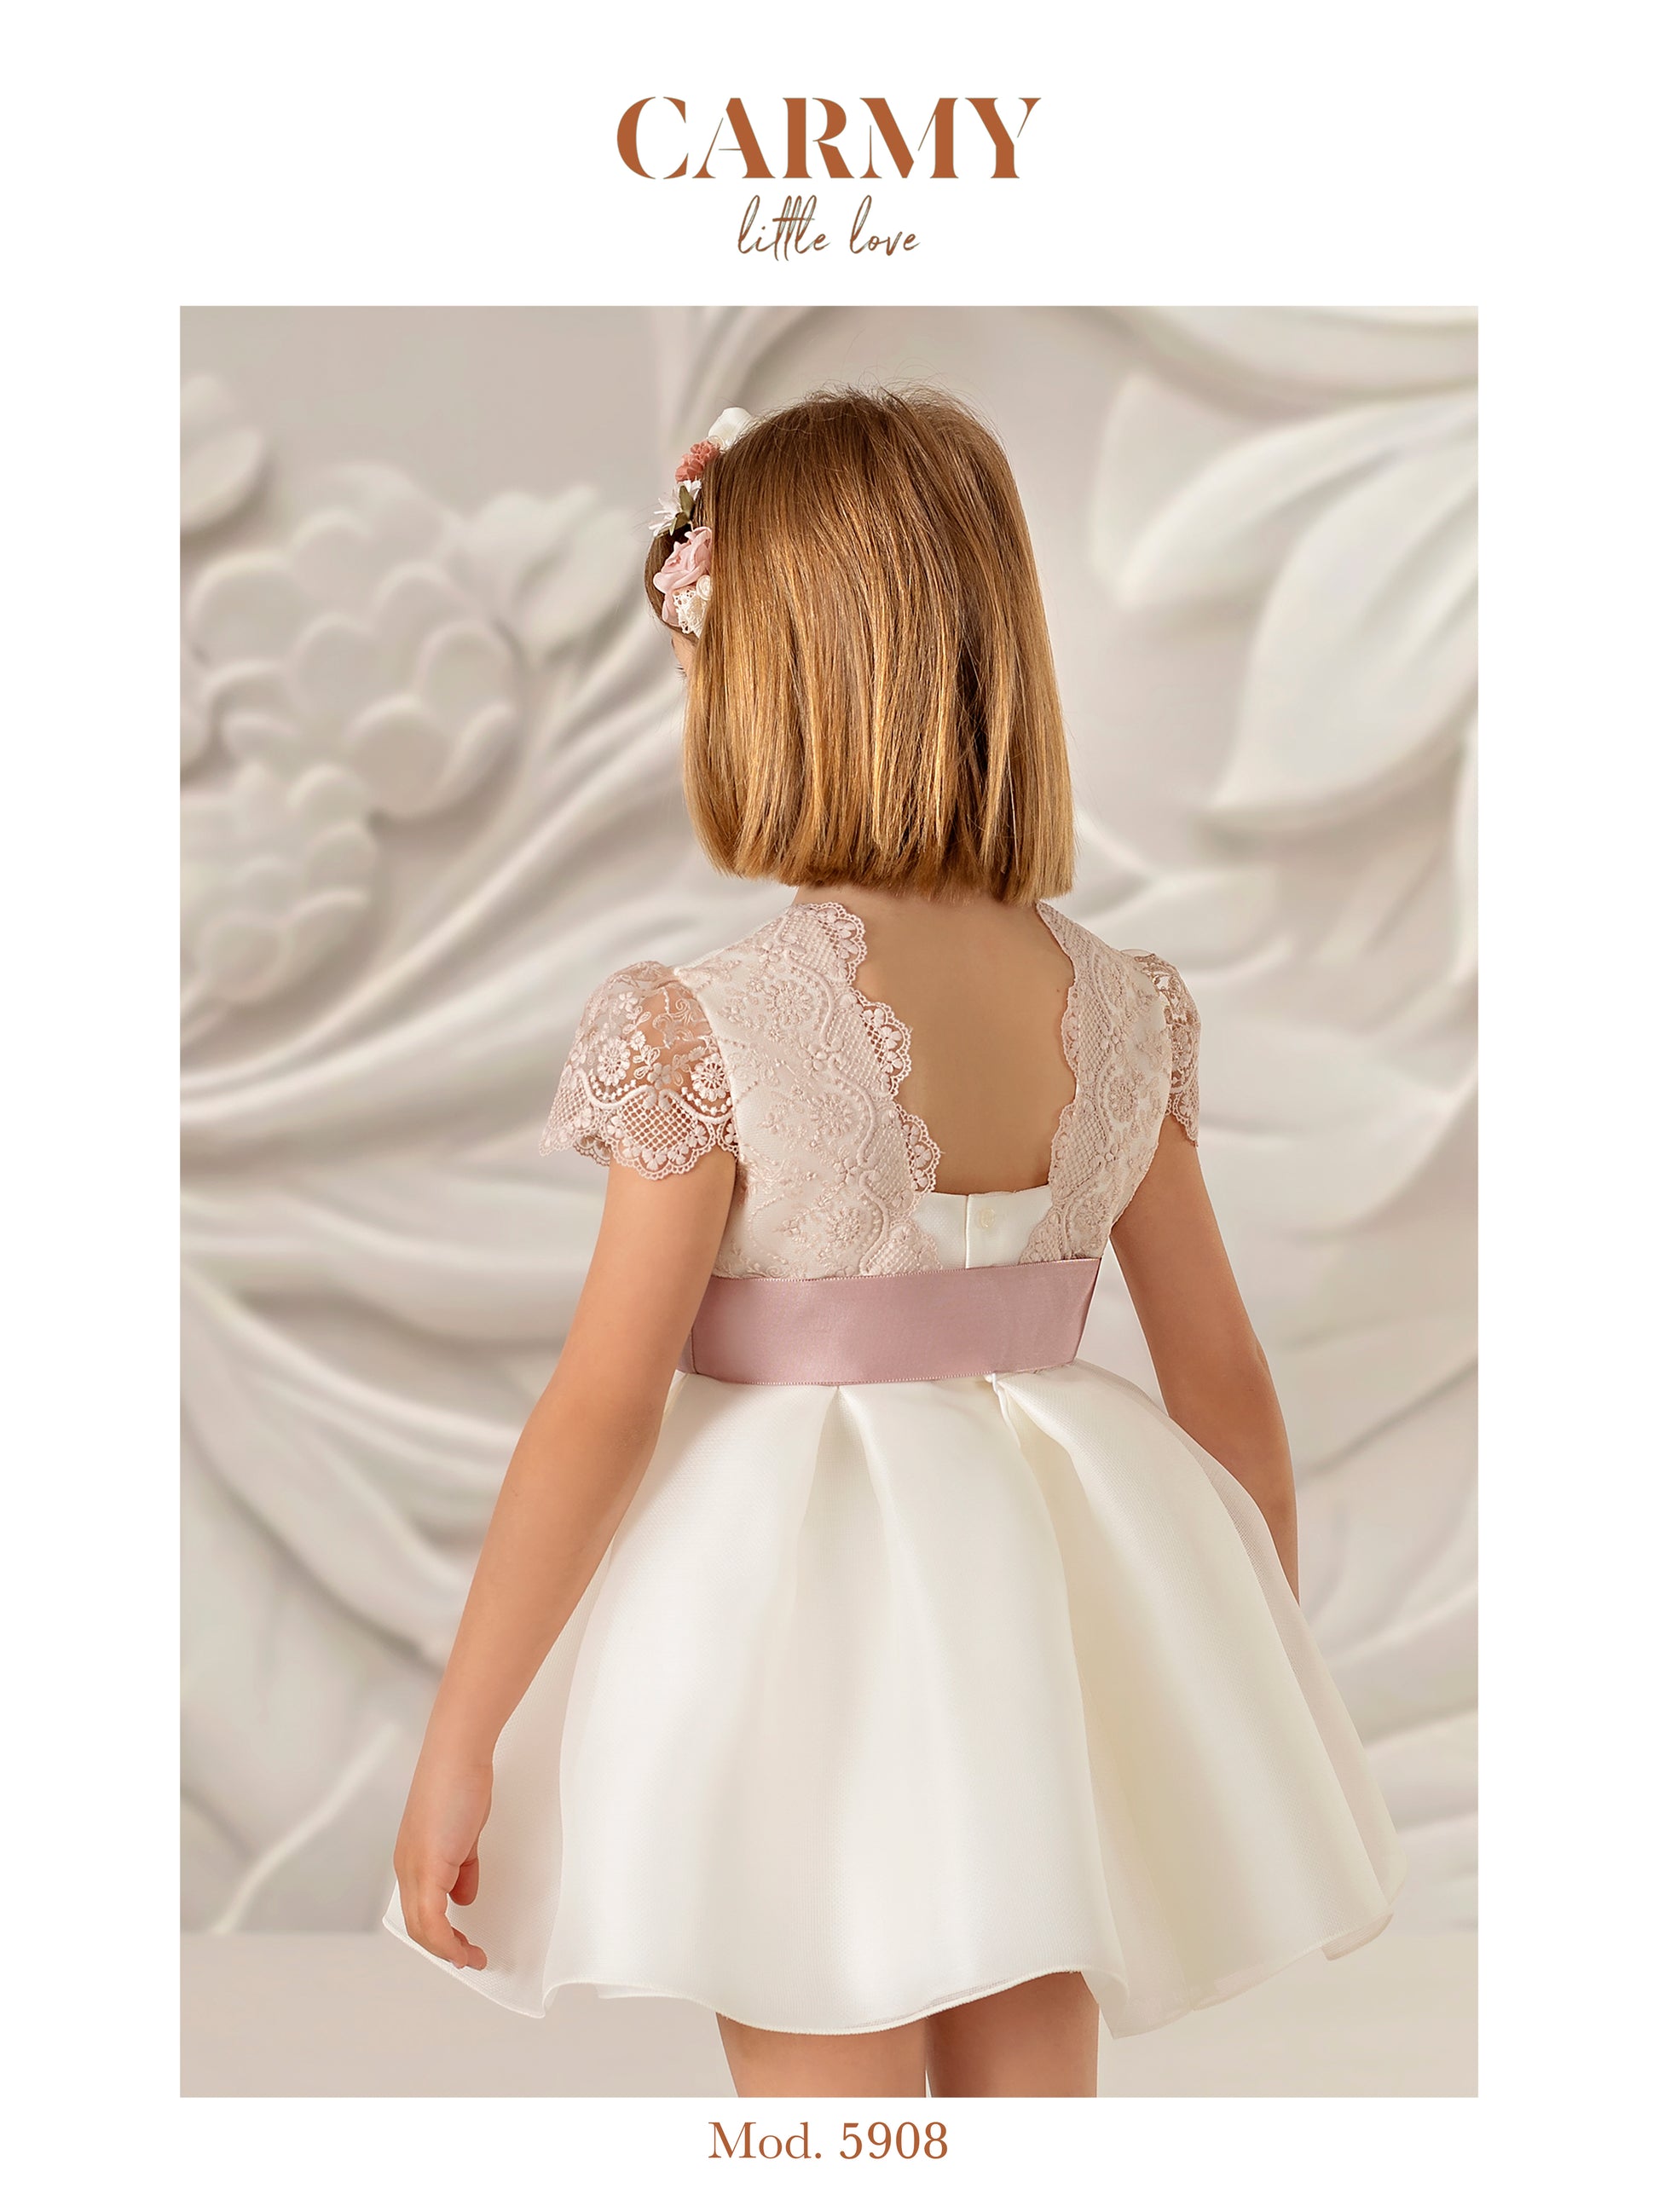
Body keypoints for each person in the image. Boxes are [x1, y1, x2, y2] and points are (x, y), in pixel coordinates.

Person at [385, 386, 1405, 2099]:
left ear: (769, 681)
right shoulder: (1129, 1007)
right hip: (1057, 1607)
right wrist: (1243, 1668)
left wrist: (462, 1734)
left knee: (824, 2088)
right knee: (1027, 2076)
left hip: (806, 1620)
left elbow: (602, 1407)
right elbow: (1222, 1382)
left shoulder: (710, 1024)